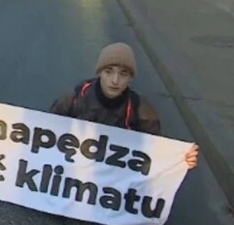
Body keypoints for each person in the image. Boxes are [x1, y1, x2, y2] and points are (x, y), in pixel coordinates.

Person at [49, 42, 199, 170]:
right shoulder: (75, 96)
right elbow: (48, 131)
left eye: (123, 74)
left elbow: (154, 151)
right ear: (99, 72)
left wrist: (181, 159)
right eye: (109, 72)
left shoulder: (141, 109)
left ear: (130, 77)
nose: (115, 80)